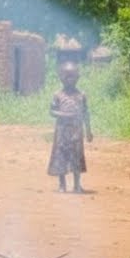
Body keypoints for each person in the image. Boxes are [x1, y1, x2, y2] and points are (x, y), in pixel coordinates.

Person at [47, 61, 92, 192]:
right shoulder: (58, 95)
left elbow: (86, 113)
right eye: (66, 76)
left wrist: (88, 131)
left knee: (76, 156)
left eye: (72, 76)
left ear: (77, 77)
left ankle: (77, 185)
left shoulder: (81, 95)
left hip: (77, 132)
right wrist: (64, 114)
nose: (69, 79)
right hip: (62, 132)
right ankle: (62, 185)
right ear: (61, 77)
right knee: (61, 156)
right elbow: (51, 111)